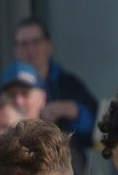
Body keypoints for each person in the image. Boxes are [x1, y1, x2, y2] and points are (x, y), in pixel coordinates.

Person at [12, 17, 99, 151]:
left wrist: (76, 112)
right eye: (24, 44)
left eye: (36, 42)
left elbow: (99, 129)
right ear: (15, 51)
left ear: (49, 46)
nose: (30, 49)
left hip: (68, 160)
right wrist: (37, 118)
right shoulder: (6, 90)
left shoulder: (69, 83)